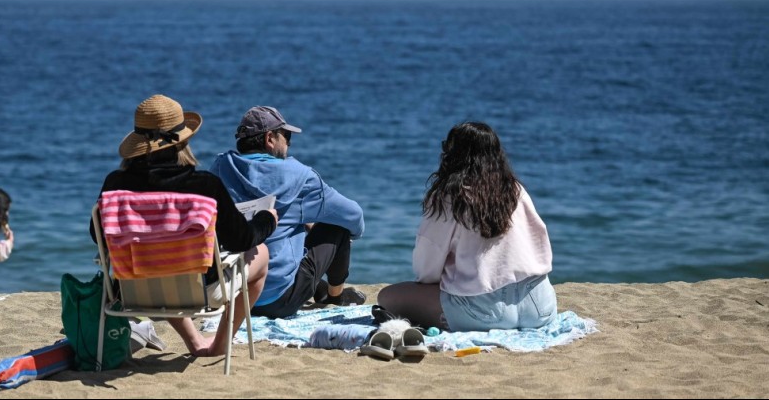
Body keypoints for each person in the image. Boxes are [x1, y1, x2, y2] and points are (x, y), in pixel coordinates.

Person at [92, 94, 277, 357]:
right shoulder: (203, 187)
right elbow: (242, 240)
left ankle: (194, 341)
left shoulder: (115, 185)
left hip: (132, 289)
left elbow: (96, 235)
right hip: (197, 292)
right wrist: (266, 220)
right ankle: (219, 345)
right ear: (183, 140)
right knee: (261, 254)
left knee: (160, 257)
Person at [377, 122, 557, 331]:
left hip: (484, 313)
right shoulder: (515, 190)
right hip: (540, 307)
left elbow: (427, 268)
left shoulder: (450, 197)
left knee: (387, 296)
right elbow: (539, 240)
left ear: (453, 155)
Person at [209, 106, 366, 319]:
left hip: (231, 293)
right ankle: (334, 297)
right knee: (337, 227)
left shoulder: (221, 167)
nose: (289, 143)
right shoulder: (301, 178)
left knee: (292, 227)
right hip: (277, 301)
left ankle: (319, 287)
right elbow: (353, 216)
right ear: (270, 138)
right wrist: (346, 237)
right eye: (287, 136)